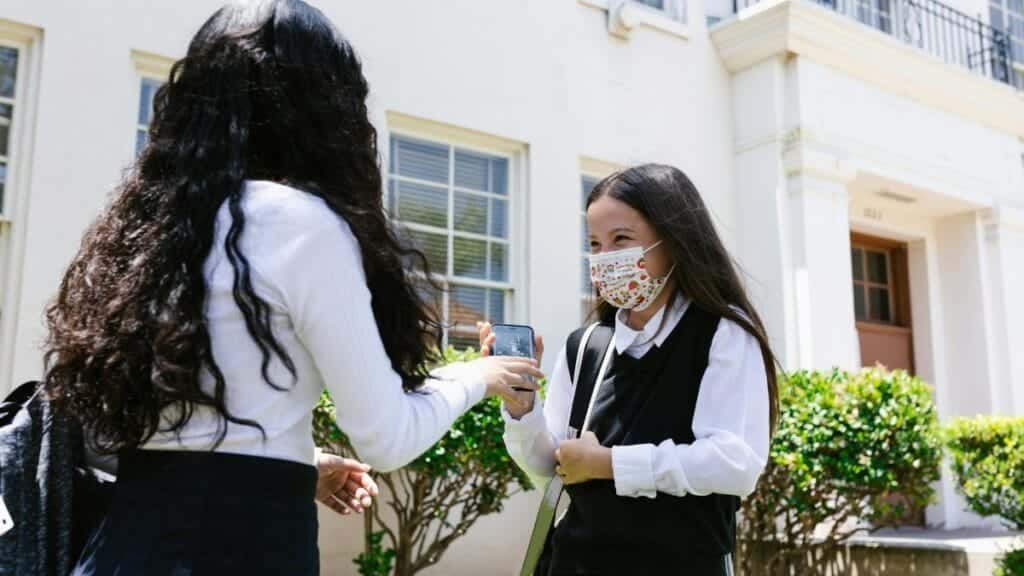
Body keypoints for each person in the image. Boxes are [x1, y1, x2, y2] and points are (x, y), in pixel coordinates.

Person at [41, 1, 542, 574]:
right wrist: (478, 375)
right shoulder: (299, 223)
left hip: (121, 547)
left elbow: (158, 435)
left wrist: (300, 462)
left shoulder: (148, 225)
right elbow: (385, 437)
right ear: (322, 107)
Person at [480, 164, 779, 576]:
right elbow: (550, 467)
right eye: (595, 244)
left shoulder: (722, 333)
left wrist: (609, 464)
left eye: (621, 239)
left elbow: (734, 464)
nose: (606, 259)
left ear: (675, 242)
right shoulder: (585, 344)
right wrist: (522, 408)